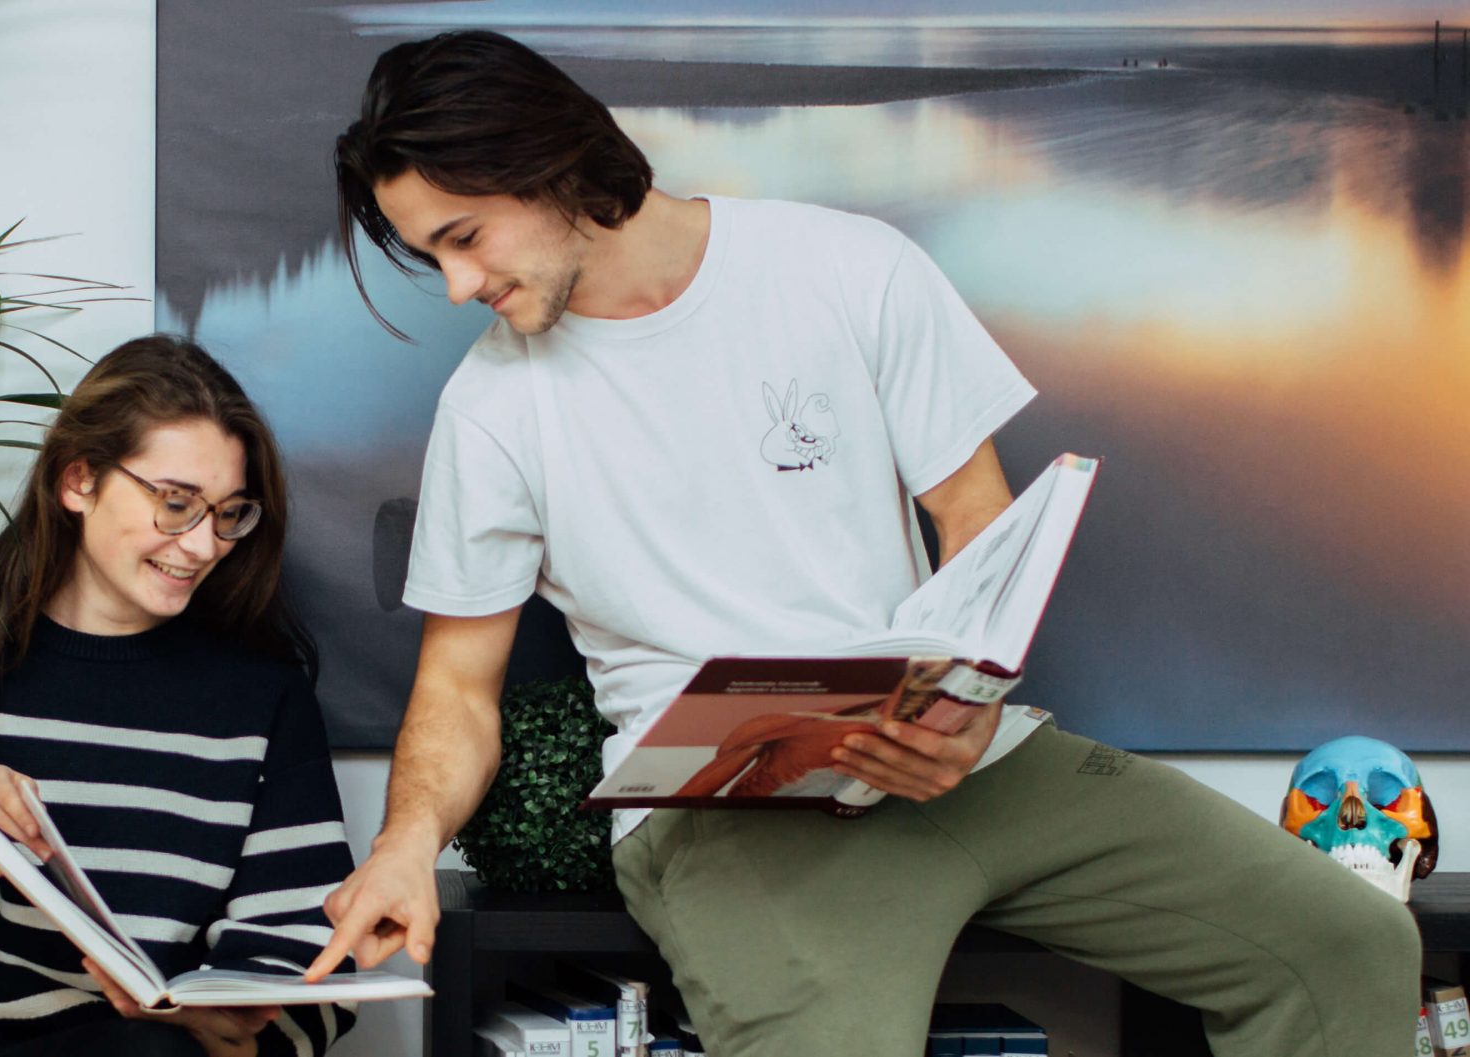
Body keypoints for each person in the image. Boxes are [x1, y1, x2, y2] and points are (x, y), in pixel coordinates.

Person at [302, 29, 1420, 1056]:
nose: (457, 285)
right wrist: (403, 843)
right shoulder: (490, 407)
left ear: (547, 164)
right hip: (721, 812)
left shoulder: (846, 267)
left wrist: (964, 707)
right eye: (428, 257)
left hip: (957, 758)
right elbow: (456, 685)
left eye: (462, 237)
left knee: (1346, 945)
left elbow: (976, 520)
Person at [0, 335, 358, 1057]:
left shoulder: (261, 701)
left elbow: (309, 959)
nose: (203, 544)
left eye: (229, 513)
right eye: (176, 503)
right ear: (78, 481)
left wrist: (242, 1040)